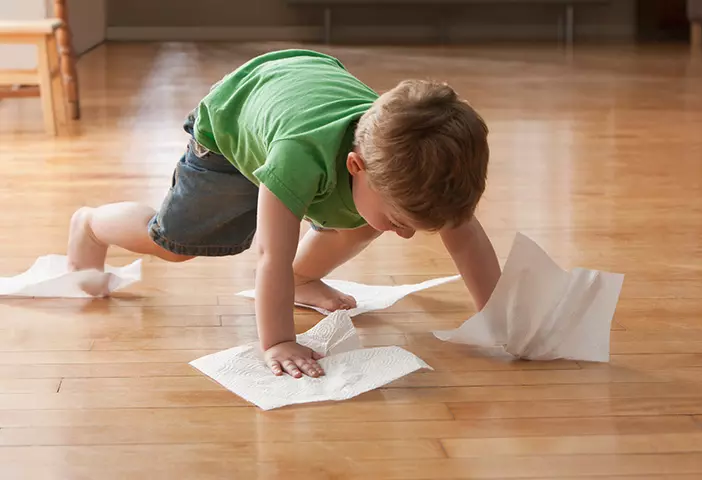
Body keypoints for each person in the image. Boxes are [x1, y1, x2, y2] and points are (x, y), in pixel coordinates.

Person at [67, 49, 501, 379]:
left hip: (298, 92)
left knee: (368, 221)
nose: (405, 237)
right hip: (231, 123)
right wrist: (278, 342)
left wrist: (501, 318)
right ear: (356, 166)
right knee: (176, 244)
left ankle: (304, 279)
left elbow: (463, 236)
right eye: (402, 222)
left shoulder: (400, 162)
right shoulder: (297, 159)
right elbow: (270, 256)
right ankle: (90, 224)